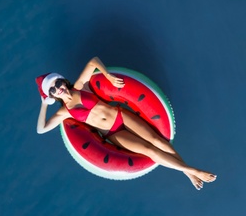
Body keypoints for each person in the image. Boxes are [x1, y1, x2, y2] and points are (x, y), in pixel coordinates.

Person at [36, 57, 217, 190]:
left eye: (58, 83)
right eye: (52, 90)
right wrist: (44, 103)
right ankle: (191, 170)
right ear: (52, 95)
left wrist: (107, 75)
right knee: (149, 150)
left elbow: (93, 62)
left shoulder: (80, 86)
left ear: (63, 80)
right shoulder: (64, 112)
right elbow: (41, 129)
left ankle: (187, 171)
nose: (58, 88)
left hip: (121, 116)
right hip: (113, 134)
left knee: (157, 140)